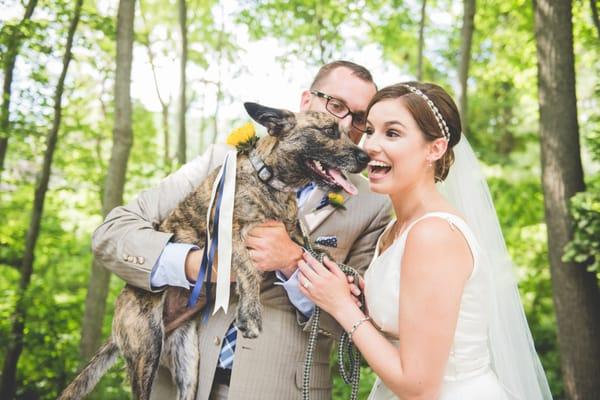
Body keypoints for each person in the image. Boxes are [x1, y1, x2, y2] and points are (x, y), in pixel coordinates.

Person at [91, 60, 392, 400]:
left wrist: (294, 263)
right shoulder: (221, 161)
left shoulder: (372, 204)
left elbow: (354, 325)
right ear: (307, 100)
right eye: (335, 105)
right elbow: (112, 234)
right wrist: (197, 265)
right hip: (179, 382)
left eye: (359, 117)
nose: (344, 122)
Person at [297, 82, 552, 399]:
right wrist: (356, 301)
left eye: (392, 133)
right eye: (371, 130)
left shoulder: (434, 235)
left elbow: (420, 388)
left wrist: (341, 307)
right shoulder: (395, 230)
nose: (370, 145)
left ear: (435, 149)